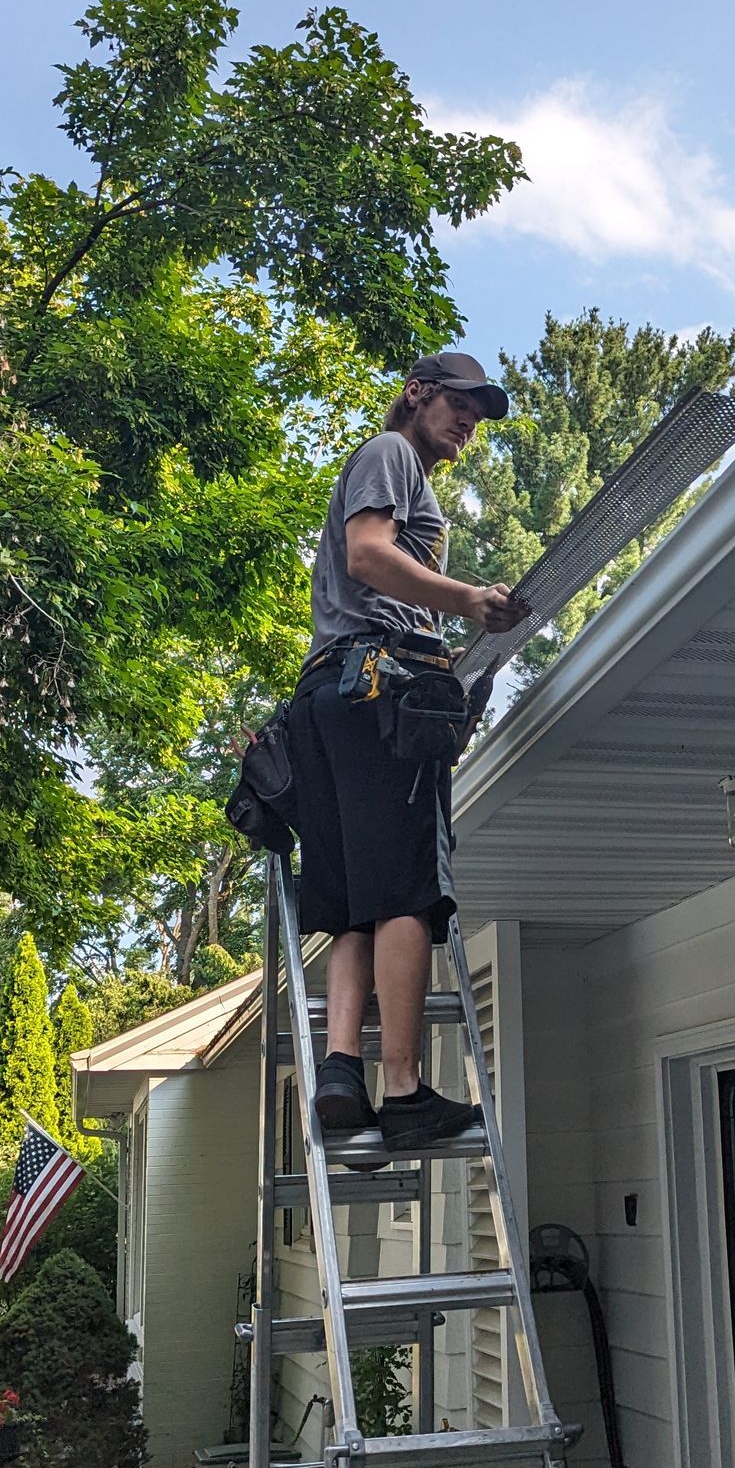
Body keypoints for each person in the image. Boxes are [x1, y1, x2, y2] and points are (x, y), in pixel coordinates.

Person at [288, 351, 528, 1163]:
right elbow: (366, 554)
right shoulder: (390, 455)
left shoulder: (405, 473)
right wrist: (465, 599)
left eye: (480, 414)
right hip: (376, 691)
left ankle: (342, 1073)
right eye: (460, 404)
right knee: (403, 893)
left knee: (357, 900)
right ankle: (402, 1089)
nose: (469, 422)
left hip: (336, 694)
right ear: (418, 394)